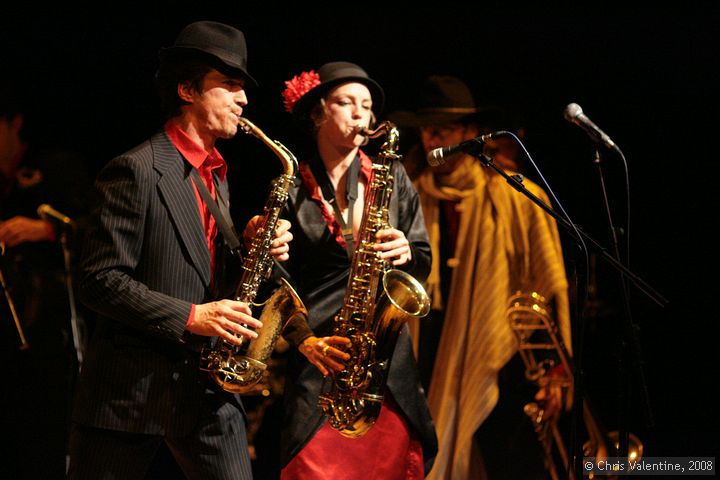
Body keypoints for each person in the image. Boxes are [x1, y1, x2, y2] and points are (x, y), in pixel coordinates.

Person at [66, 21, 293, 479]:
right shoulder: (135, 169)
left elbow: (196, 262)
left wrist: (249, 246)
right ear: (188, 90)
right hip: (132, 391)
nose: (244, 99)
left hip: (207, 387)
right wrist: (192, 316)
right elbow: (98, 280)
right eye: (229, 85)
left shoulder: (217, 173)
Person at [390, 75, 572, 479]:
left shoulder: (517, 195)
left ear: (471, 133)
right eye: (426, 129)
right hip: (430, 344)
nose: (432, 138)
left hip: (500, 352)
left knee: (504, 461)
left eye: (444, 129)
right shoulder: (410, 195)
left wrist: (556, 371)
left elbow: (550, 284)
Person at [271, 61, 438, 479]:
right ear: (318, 112)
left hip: (385, 367)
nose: (360, 114)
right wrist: (303, 340)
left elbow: (422, 257)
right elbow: (273, 281)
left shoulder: (392, 176)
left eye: (366, 105)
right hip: (321, 360)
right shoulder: (292, 186)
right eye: (346, 102)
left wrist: (407, 251)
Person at [1, 81, 95, 479]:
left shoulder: (55, 166)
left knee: (47, 438)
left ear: (13, 124)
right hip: (10, 332)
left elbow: (100, 226)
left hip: (53, 334)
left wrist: (44, 230)